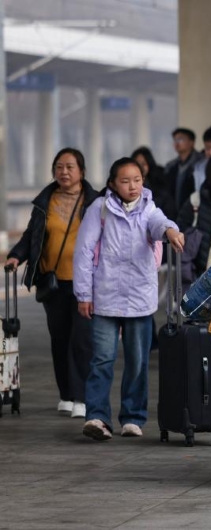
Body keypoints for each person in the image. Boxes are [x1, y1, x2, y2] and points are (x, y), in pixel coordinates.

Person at [74, 157, 184, 440]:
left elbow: (160, 223)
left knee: (137, 362)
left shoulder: (149, 209)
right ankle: (97, 417)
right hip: (105, 298)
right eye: (125, 181)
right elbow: (84, 253)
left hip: (139, 300)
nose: (132, 186)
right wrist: (84, 295)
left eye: (137, 180)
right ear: (112, 184)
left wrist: (171, 230)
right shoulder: (99, 210)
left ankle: (132, 418)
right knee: (101, 360)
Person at [5, 148, 100, 419]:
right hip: (54, 282)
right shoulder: (45, 201)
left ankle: (82, 397)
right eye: (59, 167)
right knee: (59, 339)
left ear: (82, 171)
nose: (64, 172)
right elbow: (31, 236)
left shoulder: (96, 201)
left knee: (82, 340)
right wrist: (16, 256)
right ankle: (67, 394)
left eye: (70, 167)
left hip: (86, 283)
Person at [163, 127, 203, 213]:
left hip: (195, 211)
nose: (176, 143)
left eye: (180, 139)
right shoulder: (171, 166)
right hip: (173, 213)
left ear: (191, 142)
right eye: (175, 140)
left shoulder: (201, 163)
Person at [131, 146, 175, 222]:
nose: (140, 167)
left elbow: (169, 216)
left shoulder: (161, 188)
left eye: (143, 163)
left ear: (149, 165)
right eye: (137, 163)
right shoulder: (126, 187)